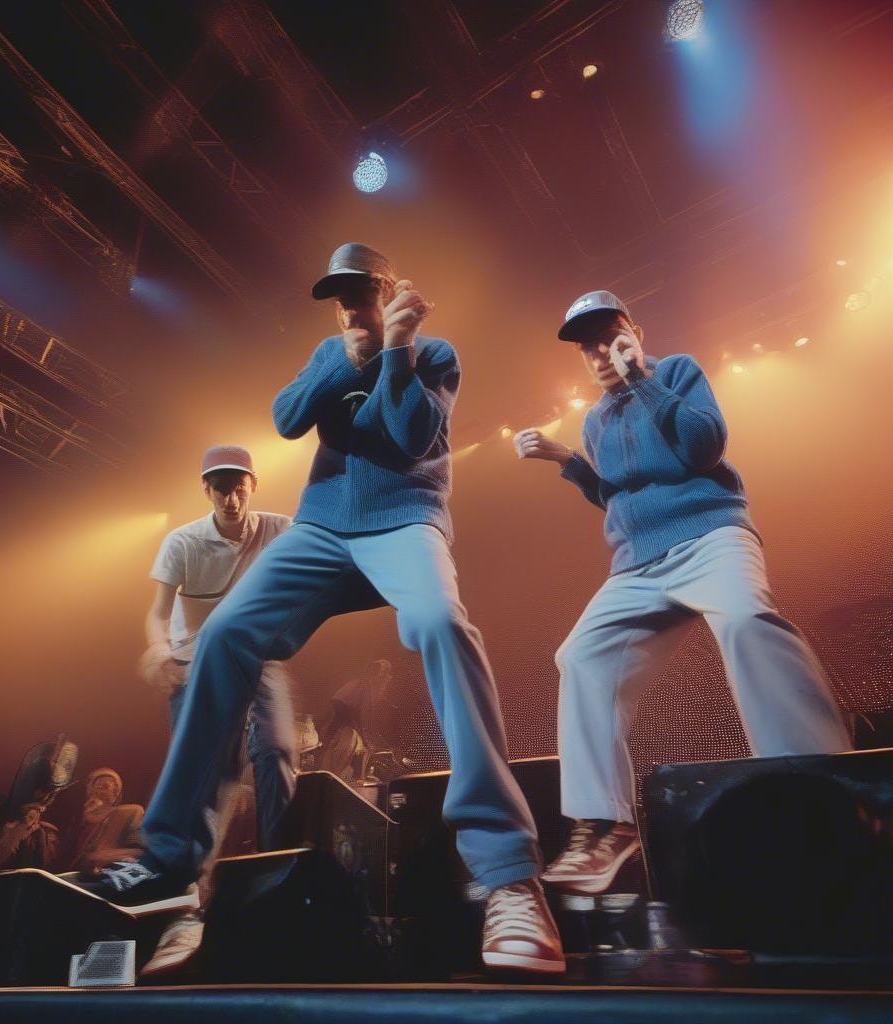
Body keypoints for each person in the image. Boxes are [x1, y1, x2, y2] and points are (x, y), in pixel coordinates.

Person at [84, 242, 564, 974]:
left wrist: (396, 351)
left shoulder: (435, 353)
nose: (349, 308)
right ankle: (174, 861)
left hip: (406, 522)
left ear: (391, 291)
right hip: (320, 530)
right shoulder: (328, 350)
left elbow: (409, 441)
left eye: (362, 293)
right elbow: (283, 418)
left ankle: (508, 876)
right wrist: (347, 358)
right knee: (223, 638)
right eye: (339, 297)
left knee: (439, 623)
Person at [514, 289, 852, 895]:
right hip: (637, 567)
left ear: (634, 332)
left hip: (710, 535)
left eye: (608, 334)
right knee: (580, 656)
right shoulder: (594, 420)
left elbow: (704, 446)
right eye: (585, 344)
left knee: (748, 619)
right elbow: (615, 495)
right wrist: (566, 459)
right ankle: (607, 827)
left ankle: (821, 782)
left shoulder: (675, 372)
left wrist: (642, 374)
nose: (598, 351)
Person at [136, 445, 298, 975]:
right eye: (220, 487)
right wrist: (160, 649)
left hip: (258, 657)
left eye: (239, 485)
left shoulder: (281, 528)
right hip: (196, 662)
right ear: (206, 490)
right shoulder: (182, 541)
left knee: (275, 750)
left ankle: (281, 877)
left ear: (254, 483)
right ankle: (186, 905)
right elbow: (157, 614)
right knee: (209, 773)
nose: (231, 496)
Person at [61, 769, 143, 874]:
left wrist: (108, 856)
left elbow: (138, 852)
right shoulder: (78, 821)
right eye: (94, 787)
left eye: (104, 787)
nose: (98, 791)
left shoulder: (129, 812)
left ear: (115, 794)